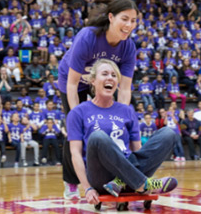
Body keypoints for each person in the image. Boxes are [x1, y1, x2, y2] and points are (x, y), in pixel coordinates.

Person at [58, 0, 139, 200]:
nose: (129, 25)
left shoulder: (128, 47)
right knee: (75, 130)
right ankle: (71, 181)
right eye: (125, 19)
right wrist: (79, 117)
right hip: (73, 82)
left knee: (113, 125)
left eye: (133, 20)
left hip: (102, 81)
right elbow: (72, 84)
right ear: (111, 18)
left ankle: (115, 177)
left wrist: (118, 117)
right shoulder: (88, 37)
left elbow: (125, 88)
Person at [67, 59, 177, 203]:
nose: (110, 78)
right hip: (101, 177)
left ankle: (123, 181)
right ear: (93, 81)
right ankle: (143, 184)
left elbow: (138, 150)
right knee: (97, 137)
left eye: (114, 75)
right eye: (105, 74)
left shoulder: (127, 111)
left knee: (168, 133)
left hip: (127, 171)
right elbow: (75, 154)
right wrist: (87, 188)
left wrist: (139, 171)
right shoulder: (78, 112)